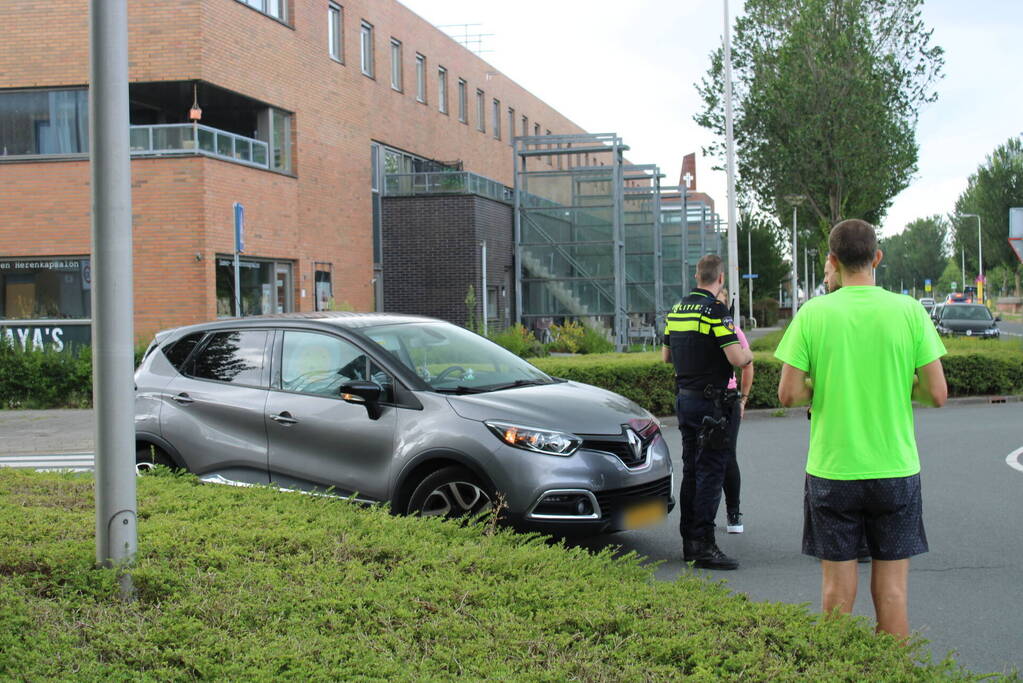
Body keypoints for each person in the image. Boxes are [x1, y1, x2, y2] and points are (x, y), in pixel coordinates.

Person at [775, 219, 947, 638]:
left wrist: (822, 384)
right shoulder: (908, 311)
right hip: (895, 469)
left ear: (831, 260)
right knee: (892, 594)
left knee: (835, 595)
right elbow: (937, 393)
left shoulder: (814, 313)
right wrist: (900, 383)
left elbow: (789, 394)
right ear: (877, 257)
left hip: (833, 471)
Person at [662, 254, 753, 570]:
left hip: (684, 401)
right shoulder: (715, 310)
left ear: (697, 276)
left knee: (691, 470)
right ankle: (704, 545)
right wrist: (747, 352)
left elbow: (665, 356)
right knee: (712, 472)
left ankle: (689, 540)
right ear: (720, 279)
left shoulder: (676, 311)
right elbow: (737, 357)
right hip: (712, 405)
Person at [715, 287, 753, 534]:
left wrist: (743, 400)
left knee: (728, 455)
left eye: (722, 301)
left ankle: (733, 512)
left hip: (728, 399)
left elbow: (748, 366)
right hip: (704, 397)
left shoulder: (733, 331)